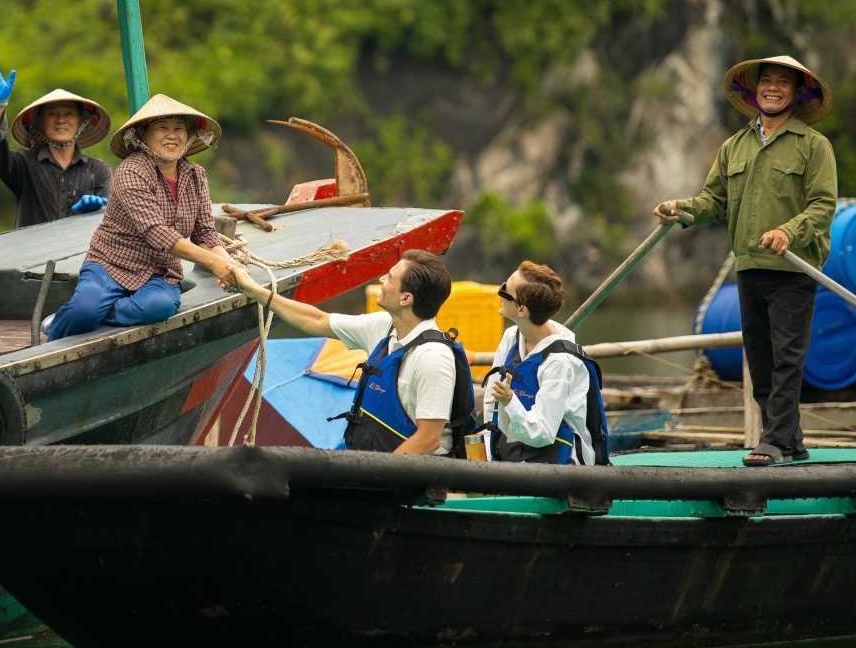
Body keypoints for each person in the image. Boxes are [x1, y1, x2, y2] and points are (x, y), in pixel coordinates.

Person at [654, 55, 837, 467]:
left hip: (793, 268)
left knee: (787, 357)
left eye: (782, 83)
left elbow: (823, 206)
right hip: (749, 267)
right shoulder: (734, 147)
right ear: (754, 90)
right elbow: (713, 202)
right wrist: (680, 208)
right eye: (766, 81)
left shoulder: (813, 146)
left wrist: (787, 231)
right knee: (760, 357)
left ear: (796, 93)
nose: (773, 88)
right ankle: (790, 440)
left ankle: (772, 439)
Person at [231, 250, 475, 456]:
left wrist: (376, 475)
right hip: (376, 466)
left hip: (412, 479)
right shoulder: (384, 326)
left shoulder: (433, 357)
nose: (381, 279)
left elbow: (429, 439)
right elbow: (317, 320)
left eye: (389, 278)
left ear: (405, 298)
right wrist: (254, 290)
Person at [44, 94, 240, 340]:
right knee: (84, 310)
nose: (172, 135)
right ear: (142, 136)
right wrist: (214, 264)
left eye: (179, 128)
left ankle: (97, 315)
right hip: (110, 265)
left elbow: (205, 232)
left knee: (159, 307)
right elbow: (157, 232)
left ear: (189, 136)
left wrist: (229, 264)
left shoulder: (196, 174)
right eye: (162, 128)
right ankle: (59, 324)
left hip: (160, 271)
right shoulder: (130, 172)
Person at [483, 261, 608, 465]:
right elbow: (491, 405)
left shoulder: (561, 361)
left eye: (506, 290)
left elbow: (541, 433)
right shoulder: (511, 338)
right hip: (513, 456)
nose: (500, 291)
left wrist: (510, 401)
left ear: (521, 310)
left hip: (560, 464)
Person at [0, 60, 112, 228]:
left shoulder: (98, 170)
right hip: (33, 253)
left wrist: (95, 211)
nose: (61, 120)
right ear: (38, 123)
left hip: (82, 252)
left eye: (68, 114)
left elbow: (109, 223)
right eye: (52, 114)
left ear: (81, 121)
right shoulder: (23, 164)